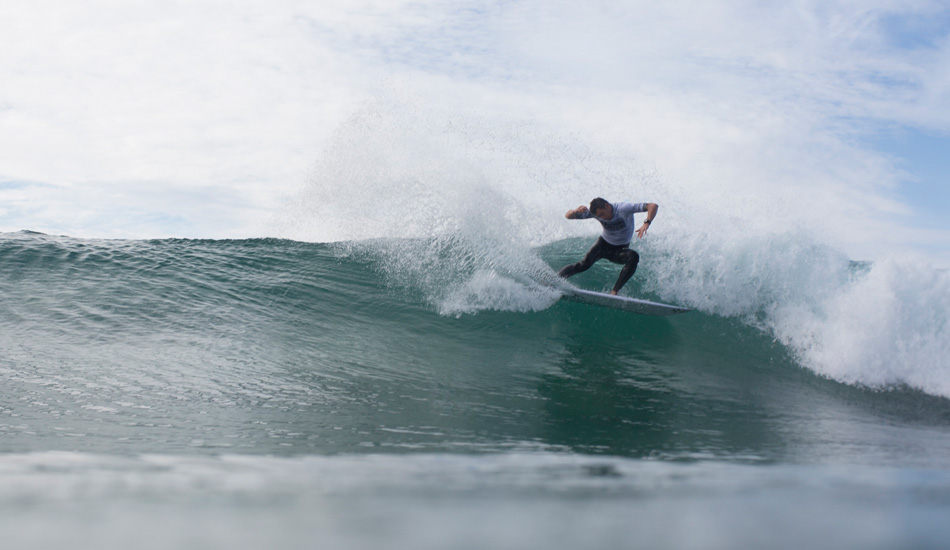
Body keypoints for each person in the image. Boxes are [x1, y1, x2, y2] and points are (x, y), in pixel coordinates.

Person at [557, 198, 658, 295]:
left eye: (602, 214)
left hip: (619, 250)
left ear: (607, 205)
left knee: (634, 257)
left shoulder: (623, 209)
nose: (602, 217)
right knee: (583, 265)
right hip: (602, 245)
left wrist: (647, 222)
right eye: (599, 216)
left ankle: (614, 291)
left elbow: (652, 206)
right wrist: (575, 211)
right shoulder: (595, 213)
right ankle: (556, 279)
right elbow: (568, 216)